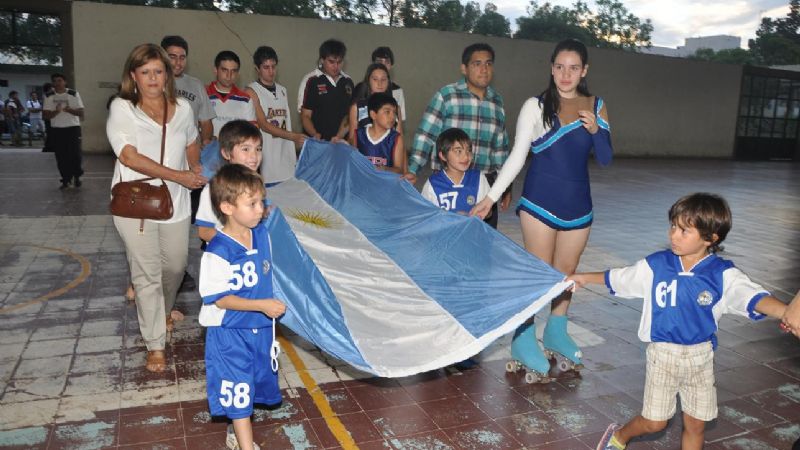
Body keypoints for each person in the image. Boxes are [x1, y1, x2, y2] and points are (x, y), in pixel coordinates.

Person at [567, 193, 788, 450]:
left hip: (700, 357)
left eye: (684, 231)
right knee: (654, 423)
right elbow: (620, 277)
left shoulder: (722, 274)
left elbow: (752, 297)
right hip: (663, 355)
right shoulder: (657, 265)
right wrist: (583, 277)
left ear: (711, 237)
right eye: (673, 226)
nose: (674, 235)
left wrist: (785, 313)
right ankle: (620, 436)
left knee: (696, 424)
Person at [471, 39, 612, 379]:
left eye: (574, 67)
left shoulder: (596, 105)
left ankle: (556, 330)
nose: (566, 74)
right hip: (538, 204)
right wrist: (491, 197)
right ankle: (522, 336)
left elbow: (605, 158)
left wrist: (595, 130)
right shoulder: (535, 106)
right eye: (560, 67)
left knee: (566, 278)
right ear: (551, 68)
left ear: (584, 70)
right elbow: (518, 156)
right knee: (539, 275)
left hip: (579, 208)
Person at [106, 43, 207, 372]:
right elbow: (129, 156)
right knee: (146, 273)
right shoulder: (123, 108)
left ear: (168, 75)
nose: (152, 78)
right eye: (145, 72)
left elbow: (192, 140)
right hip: (134, 204)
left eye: (158, 71)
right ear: (133, 75)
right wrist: (177, 174)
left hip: (176, 203)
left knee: (175, 266)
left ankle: (162, 311)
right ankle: (154, 344)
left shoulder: (183, 110)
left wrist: (194, 169)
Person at [199, 163, 286, 450]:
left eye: (261, 201)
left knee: (252, 384)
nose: (260, 209)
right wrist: (261, 304)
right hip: (229, 333)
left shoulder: (261, 234)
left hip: (259, 329)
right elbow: (220, 298)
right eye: (252, 203)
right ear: (227, 207)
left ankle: (236, 431)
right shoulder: (218, 251)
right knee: (237, 389)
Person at [409, 43, 510, 229]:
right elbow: (426, 134)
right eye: (477, 64)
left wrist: (505, 185)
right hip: (448, 183)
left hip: (484, 186)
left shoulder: (497, 101)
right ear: (464, 68)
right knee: (444, 237)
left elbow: (500, 148)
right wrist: (413, 169)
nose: (484, 69)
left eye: (488, 64)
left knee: (482, 240)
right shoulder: (447, 96)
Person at [245, 46, 305, 185]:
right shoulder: (251, 91)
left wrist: (292, 149)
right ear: (257, 69)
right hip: (267, 156)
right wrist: (294, 136)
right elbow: (263, 125)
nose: (271, 71)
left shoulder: (282, 90)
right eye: (266, 67)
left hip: (286, 155)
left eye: (273, 66)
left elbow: (287, 122)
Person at [195, 120, 263, 243]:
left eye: (258, 149)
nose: (254, 156)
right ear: (226, 153)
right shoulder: (214, 188)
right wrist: (236, 242)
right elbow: (204, 231)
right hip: (225, 254)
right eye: (245, 149)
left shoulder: (256, 183)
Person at [421, 127, 489, 216]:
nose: (466, 157)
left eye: (468, 151)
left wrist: (478, 213)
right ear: (443, 156)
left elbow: (488, 211)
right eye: (459, 151)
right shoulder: (433, 184)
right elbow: (425, 214)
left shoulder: (479, 178)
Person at [301, 39, 354, 141]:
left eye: (339, 62)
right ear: (322, 60)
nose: (336, 66)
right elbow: (305, 116)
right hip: (318, 142)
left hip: (341, 142)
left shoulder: (348, 81)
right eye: (331, 62)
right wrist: (315, 134)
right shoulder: (311, 80)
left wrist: (340, 136)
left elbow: (350, 115)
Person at [343, 63, 402, 145]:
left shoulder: (395, 108)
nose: (379, 83)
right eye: (375, 79)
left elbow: (400, 139)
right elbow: (352, 139)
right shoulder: (357, 107)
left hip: (387, 155)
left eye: (383, 79)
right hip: (363, 155)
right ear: (368, 81)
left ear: (388, 82)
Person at [43, 73, 85, 189]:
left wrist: (69, 110)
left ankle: (77, 176)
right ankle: (65, 179)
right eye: (55, 81)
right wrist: (56, 112)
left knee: (75, 154)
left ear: (65, 82)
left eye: (59, 80)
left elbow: (81, 113)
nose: (57, 83)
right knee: (61, 156)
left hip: (72, 129)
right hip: (57, 130)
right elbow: (46, 115)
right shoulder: (49, 96)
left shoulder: (73, 94)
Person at [354, 93, 405, 174]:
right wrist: (342, 145)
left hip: (384, 184)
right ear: (373, 115)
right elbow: (352, 162)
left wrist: (385, 169)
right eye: (387, 112)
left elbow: (399, 170)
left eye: (394, 112)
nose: (392, 117)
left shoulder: (396, 139)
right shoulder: (358, 135)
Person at [371, 46, 406, 128]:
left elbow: (399, 122)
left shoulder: (397, 91)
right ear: (373, 64)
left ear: (391, 66)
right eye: (379, 61)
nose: (383, 65)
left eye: (387, 62)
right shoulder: (362, 88)